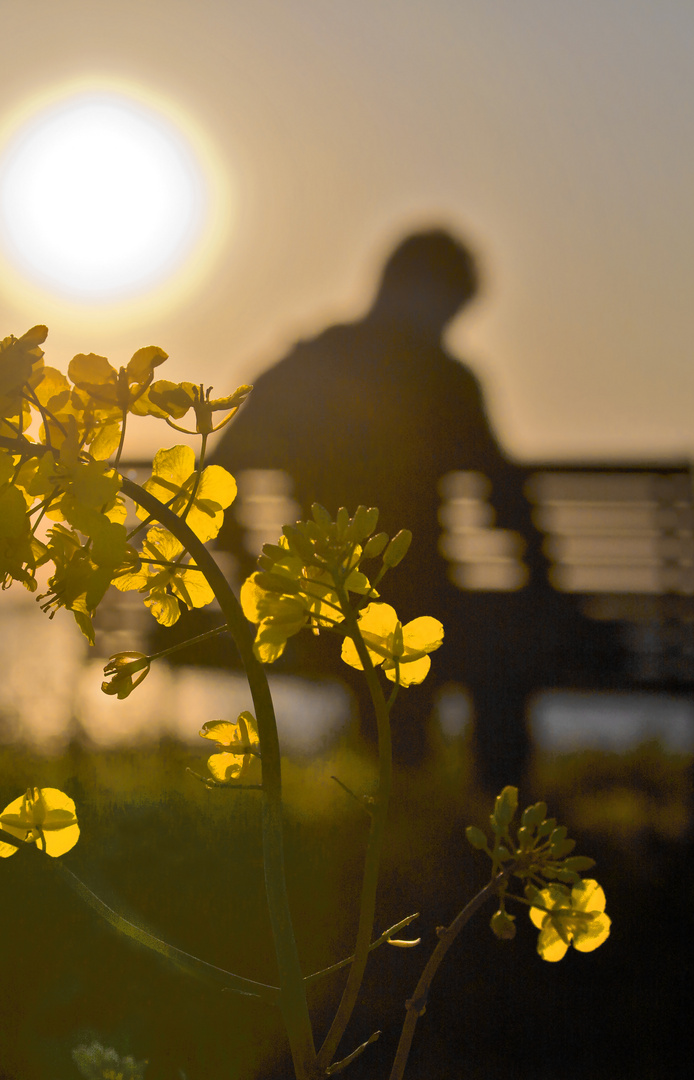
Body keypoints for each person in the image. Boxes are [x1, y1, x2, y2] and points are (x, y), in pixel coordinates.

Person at [207, 229, 546, 787]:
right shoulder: (449, 379)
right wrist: (545, 588)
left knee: (421, 616)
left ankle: (399, 797)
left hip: (314, 608)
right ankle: (491, 812)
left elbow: (217, 475)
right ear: (433, 296)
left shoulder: (305, 366)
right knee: (500, 641)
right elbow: (507, 502)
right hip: (418, 601)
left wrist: (252, 576)